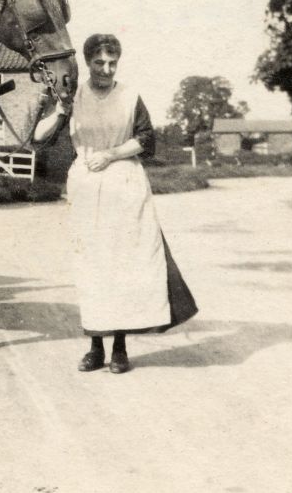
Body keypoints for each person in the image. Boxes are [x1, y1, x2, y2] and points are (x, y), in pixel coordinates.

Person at [34, 34, 198, 373]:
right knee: (92, 267)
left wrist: (111, 154)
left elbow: (147, 139)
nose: (106, 69)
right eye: (99, 63)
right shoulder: (72, 96)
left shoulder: (129, 96)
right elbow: (38, 137)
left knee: (123, 265)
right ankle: (95, 347)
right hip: (86, 184)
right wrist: (61, 111)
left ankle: (120, 348)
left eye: (112, 63)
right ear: (88, 62)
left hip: (124, 182)